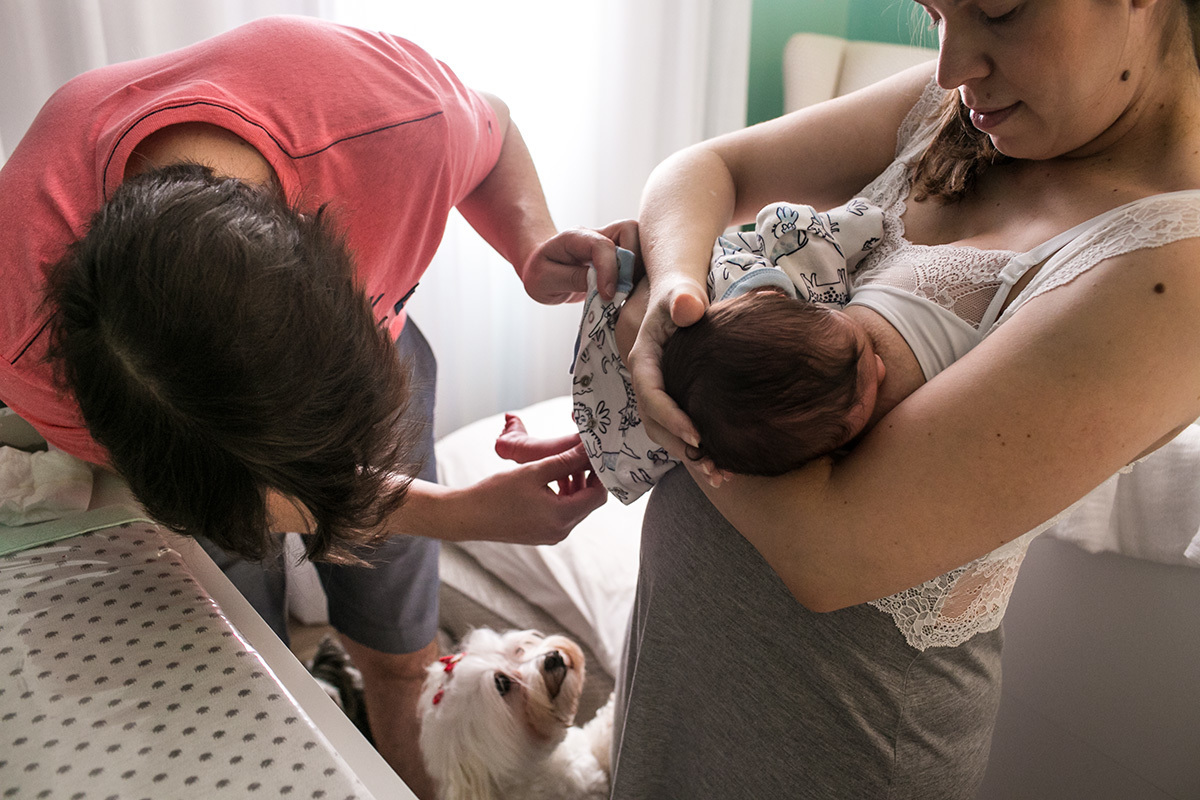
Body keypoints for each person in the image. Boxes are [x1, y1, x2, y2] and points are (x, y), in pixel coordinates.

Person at [0, 16, 630, 799]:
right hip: (187, 450)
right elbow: (242, 498)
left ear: (334, 261)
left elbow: (492, 130)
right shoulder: (27, 343)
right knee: (251, 672)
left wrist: (530, 245)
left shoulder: (389, 120)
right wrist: (456, 512)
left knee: (402, 653)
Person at [611, 1, 1200, 797]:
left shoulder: (1172, 270)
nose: (953, 66)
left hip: (833, 741)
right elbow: (707, 169)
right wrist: (675, 291)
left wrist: (659, 353)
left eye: (998, 10)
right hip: (677, 672)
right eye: (935, 13)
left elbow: (830, 554)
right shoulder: (954, 110)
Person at [572, 197, 888, 501]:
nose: (880, 367)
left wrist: (865, 221)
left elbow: (787, 221)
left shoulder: (794, 279)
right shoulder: (737, 396)